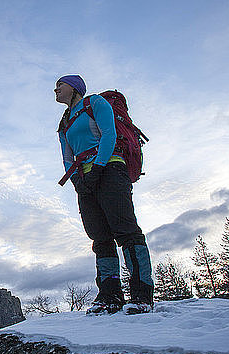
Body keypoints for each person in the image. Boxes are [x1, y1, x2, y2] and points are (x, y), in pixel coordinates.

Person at [54, 74, 154, 314]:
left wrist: (98, 167)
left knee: (126, 230)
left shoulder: (96, 103)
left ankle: (142, 294)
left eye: (60, 85)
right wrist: (78, 180)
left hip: (110, 169)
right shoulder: (64, 122)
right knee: (100, 237)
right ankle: (109, 296)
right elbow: (67, 156)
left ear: (74, 88)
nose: (55, 89)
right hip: (85, 180)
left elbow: (109, 134)